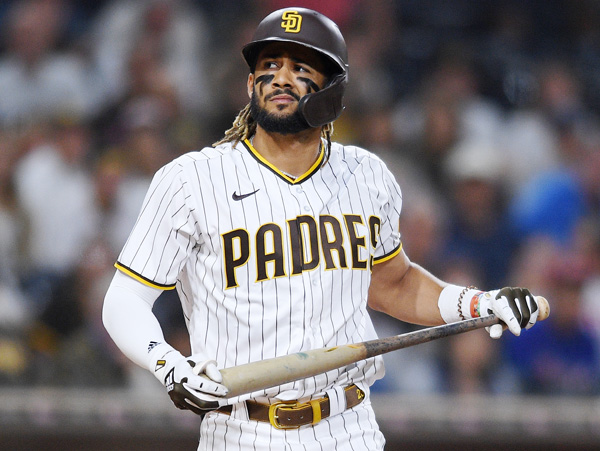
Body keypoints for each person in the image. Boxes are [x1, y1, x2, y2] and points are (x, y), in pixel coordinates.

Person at [103, 7, 542, 450]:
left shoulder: (366, 175)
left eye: (300, 67)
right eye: (269, 65)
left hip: (348, 427)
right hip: (241, 430)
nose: (280, 78)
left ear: (334, 88)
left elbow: (394, 284)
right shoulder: (191, 180)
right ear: (250, 83)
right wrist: (168, 364)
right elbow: (124, 299)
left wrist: (479, 303)